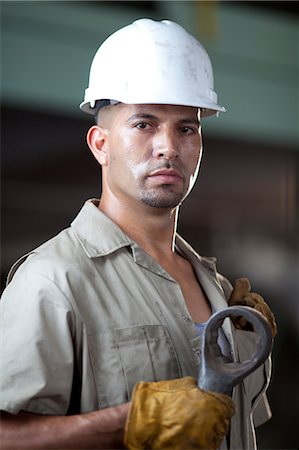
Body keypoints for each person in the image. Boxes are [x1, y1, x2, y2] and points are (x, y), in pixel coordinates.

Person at [0, 18, 277, 450]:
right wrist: (128, 423)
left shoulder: (220, 291)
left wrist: (240, 342)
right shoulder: (53, 281)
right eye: (144, 124)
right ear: (100, 144)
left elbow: (240, 424)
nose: (168, 146)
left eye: (186, 128)